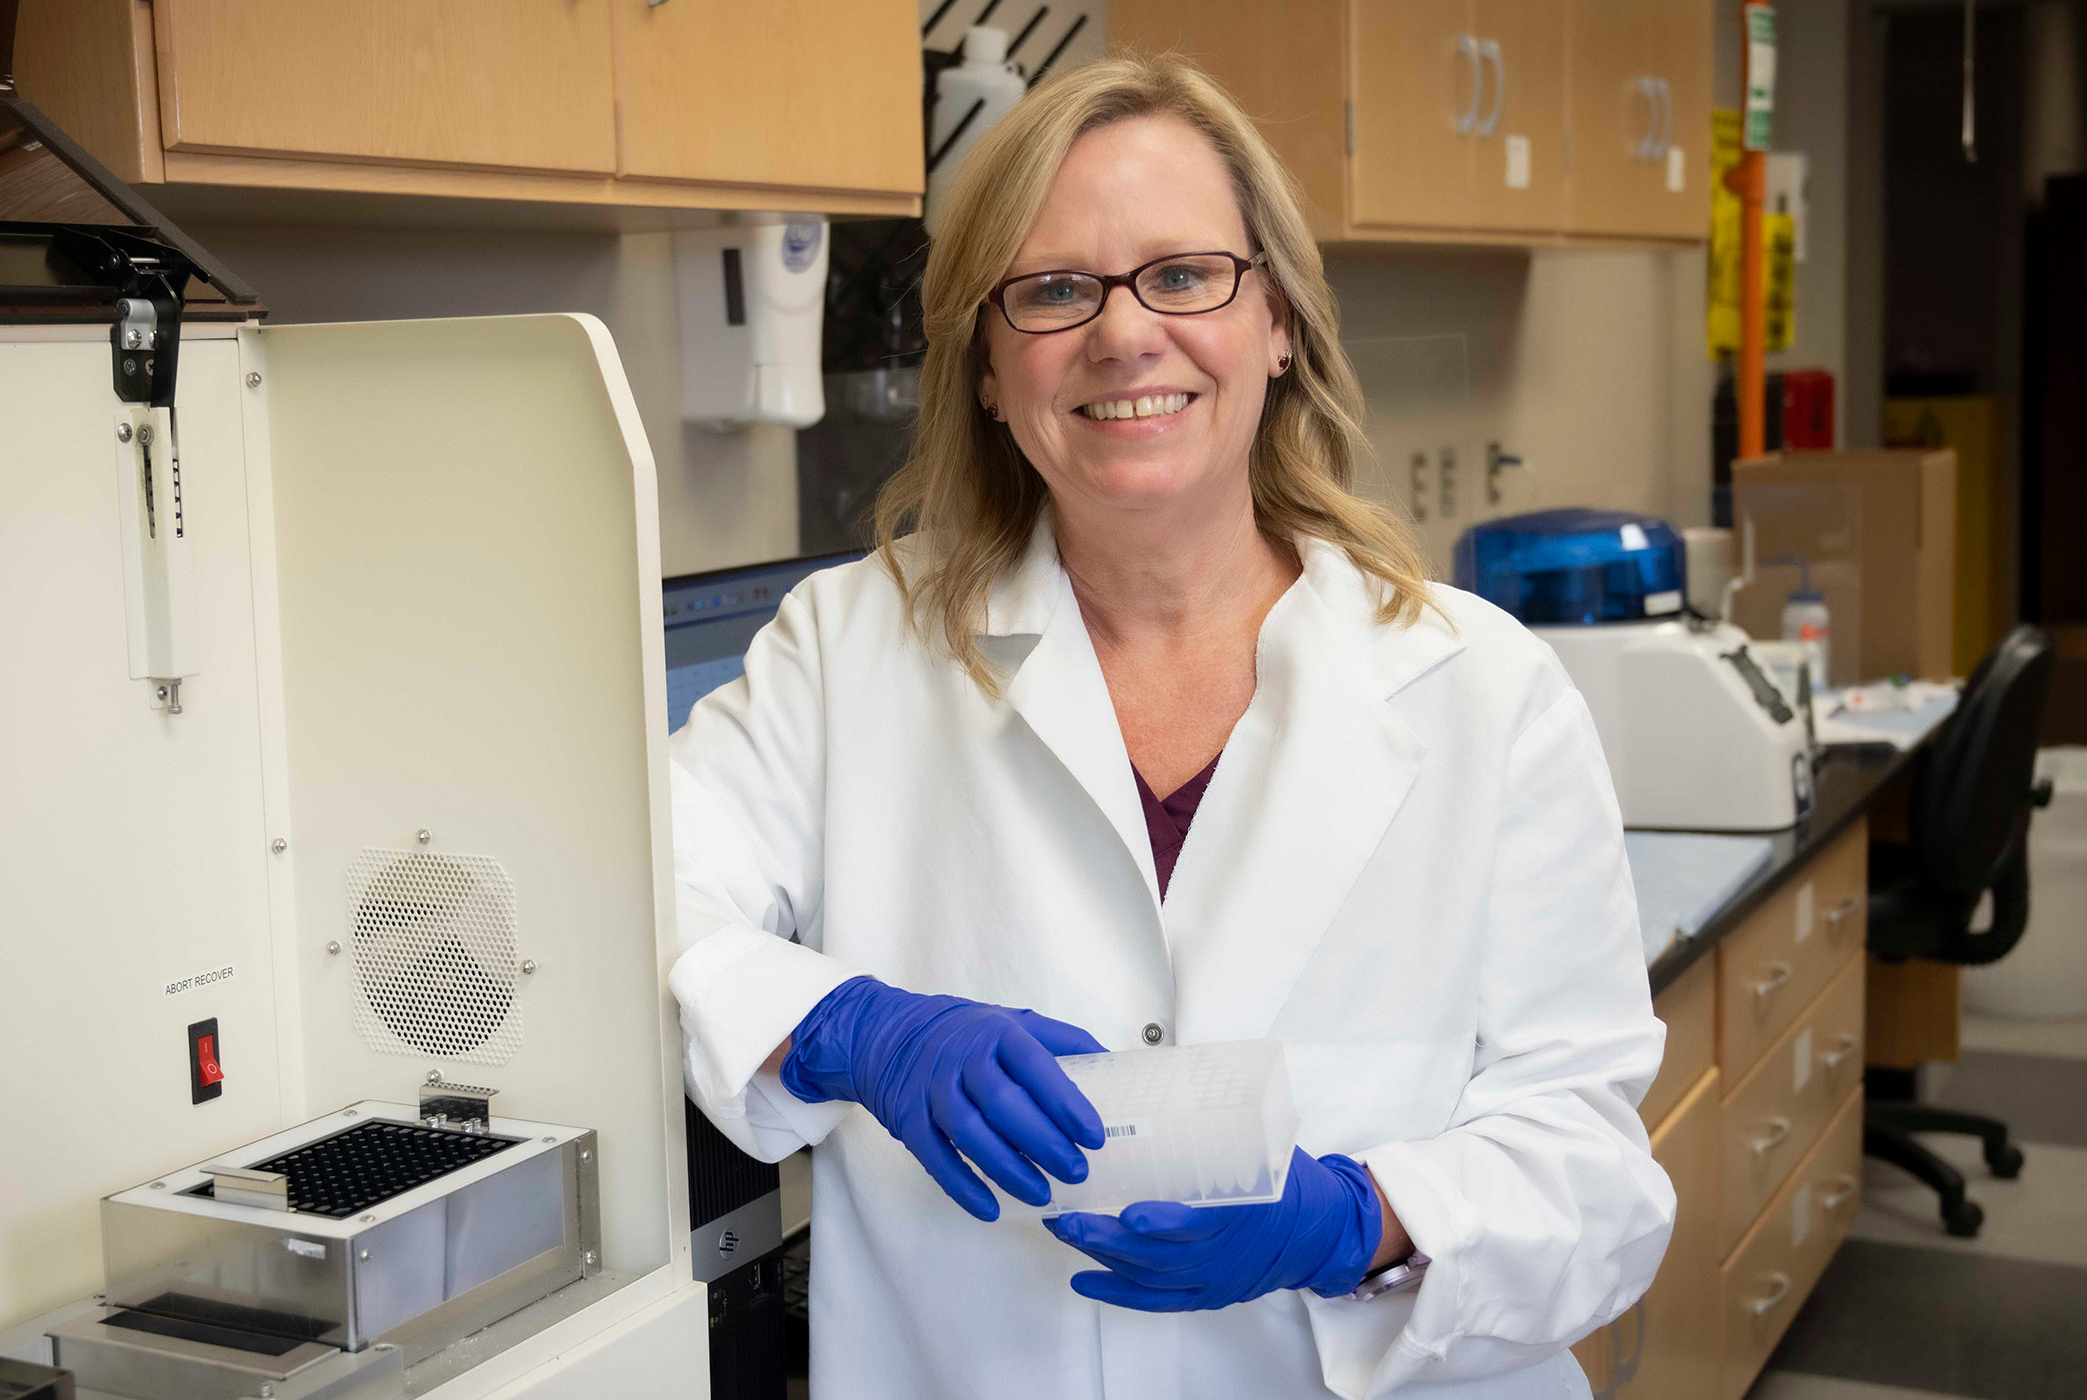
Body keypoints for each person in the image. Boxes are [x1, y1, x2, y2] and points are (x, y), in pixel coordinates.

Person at [666, 53, 1673, 1400]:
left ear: (1278, 324)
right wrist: (852, 1024)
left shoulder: (1482, 689)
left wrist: (1361, 1219)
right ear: (982, 363)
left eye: (1185, 275)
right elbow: (630, 890)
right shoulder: (847, 653)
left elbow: (1598, 1180)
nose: (1124, 335)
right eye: (1055, 289)